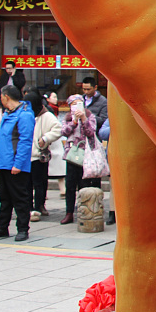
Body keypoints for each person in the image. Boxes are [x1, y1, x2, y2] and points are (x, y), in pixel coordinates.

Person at [0, 85, 35, 242]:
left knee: (20, 198)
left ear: (6, 96)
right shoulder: (8, 113)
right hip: (4, 163)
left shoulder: (24, 114)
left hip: (15, 164)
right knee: (4, 197)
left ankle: (22, 229)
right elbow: (3, 140)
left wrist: (19, 164)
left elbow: (25, 141)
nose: (0, 99)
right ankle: (1, 227)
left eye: (1, 96)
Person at [60, 94, 101, 226]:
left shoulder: (90, 116)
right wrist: (74, 122)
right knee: (70, 185)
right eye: (73, 104)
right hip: (72, 155)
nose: (76, 106)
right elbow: (64, 132)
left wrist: (84, 119)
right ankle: (69, 212)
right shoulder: (67, 118)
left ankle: (84, 211)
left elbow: (91, 132)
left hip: (87, 156)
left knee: (85, 185)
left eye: (78, 103)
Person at [26, 91, 61, 222]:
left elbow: (58, 129)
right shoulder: (26, 114)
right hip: (26, 156)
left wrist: (46, 138)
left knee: (39, 183)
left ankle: (39, 206)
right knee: (27, 184)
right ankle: (28, 207)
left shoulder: (46, 115)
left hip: (39, 155)